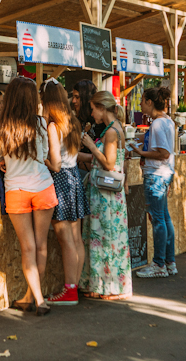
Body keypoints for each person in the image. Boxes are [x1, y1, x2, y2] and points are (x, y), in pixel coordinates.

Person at [0, 76, 59, 316]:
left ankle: (34, 298)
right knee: (41, 246)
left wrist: (2, 161)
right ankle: (35, 298)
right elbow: (44, 156)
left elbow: (0, 155)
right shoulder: (41, 124)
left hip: (16, 191)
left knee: (27, 248)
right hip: (42, 186)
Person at [39, 79, 89, 305]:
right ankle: (74, 286)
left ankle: (69, 290)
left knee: (65, 239)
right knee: (76, 238)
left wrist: (44, 160)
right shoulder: (73, 122)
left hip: (59, 180)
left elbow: (56, 164)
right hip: (75, 178)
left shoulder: (52, 126)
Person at [80, 91, 133, 299]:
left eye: (93, 109)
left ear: (102, 108)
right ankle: (105, 285)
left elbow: (109, 163)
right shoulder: (114, 129)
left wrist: (91, 146)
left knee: (105, 237)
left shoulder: (111, 132)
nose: (92, 114)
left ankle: (109, 287)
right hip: (107, 193)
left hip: (105, 195)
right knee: (109, 237)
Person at [131, 87, 177, 278]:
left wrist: (141, 153)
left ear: (150, 102)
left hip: (155, 174)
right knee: (164, 218)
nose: (140, 105)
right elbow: (153, 141)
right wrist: (137, 139)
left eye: (142, 100)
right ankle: (169, 261)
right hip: (164, 174)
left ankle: (159, 263)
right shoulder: (165, 121)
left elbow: (163, 152)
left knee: (158, 219)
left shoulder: (158, 123)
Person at [72, 80, 103, 175]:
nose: (73, 101)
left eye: (77, 97)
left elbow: (105, 157)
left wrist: (75, 155)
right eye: (73, 97)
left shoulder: (100, 122)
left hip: (95, 175)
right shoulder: (77, 120)